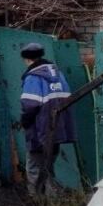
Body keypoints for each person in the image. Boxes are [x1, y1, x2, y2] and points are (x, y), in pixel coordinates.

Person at [20, 42, 76, 195]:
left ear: (26, 59)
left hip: (39, 131)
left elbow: (30, 105)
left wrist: (24, 122)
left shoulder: (33, 77)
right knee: (48, 165)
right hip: (57, 129)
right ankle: (51, 201)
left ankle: (36, 202)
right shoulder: (59, 75)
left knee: (33, 167)